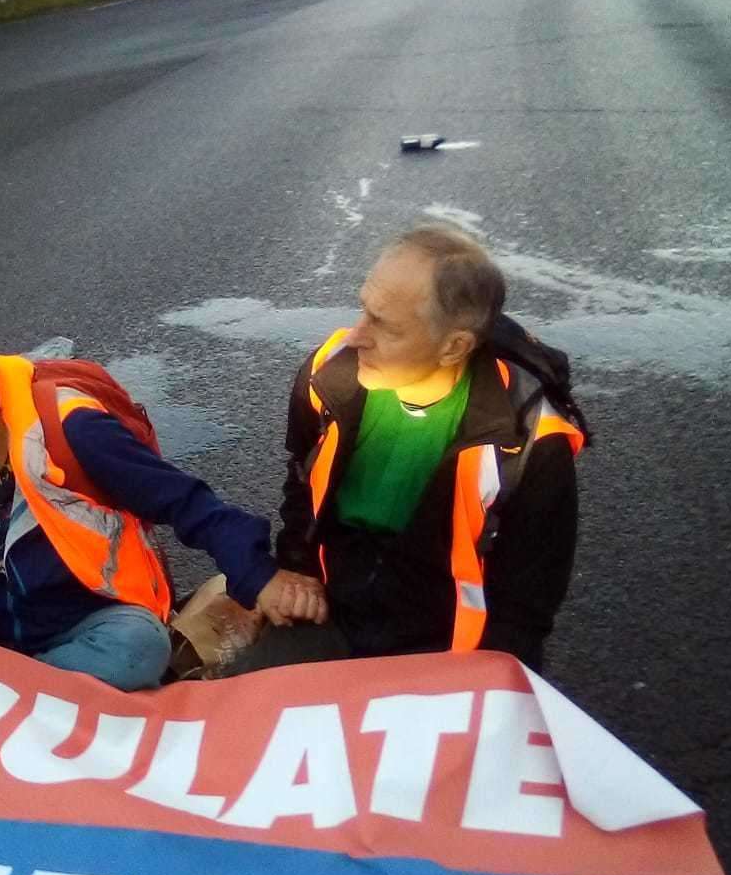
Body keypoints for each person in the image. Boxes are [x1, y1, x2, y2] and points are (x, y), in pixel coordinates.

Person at [0, 316, 321, 691]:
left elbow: (188, 502)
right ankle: (21, 683)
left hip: (77, 621)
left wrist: (260, 578)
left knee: (139, 649)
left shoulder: (74, 430)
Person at [230, 224, 585, 674]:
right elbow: (302, 483)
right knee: (256, 722)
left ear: (454, 347)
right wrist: (296, 571)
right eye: (364, 310)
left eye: (384, 325)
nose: (355, 336)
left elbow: (525, 606)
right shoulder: (327, 378)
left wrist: (485, 684)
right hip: (329, 613)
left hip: (446, 643)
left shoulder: (532, 441)